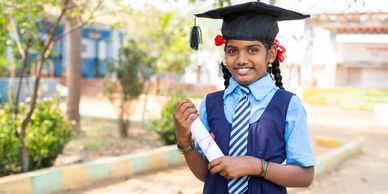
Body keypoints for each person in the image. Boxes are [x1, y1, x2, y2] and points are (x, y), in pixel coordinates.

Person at [173, 1, 315, 194]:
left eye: (253, 50)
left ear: (271, 54)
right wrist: (184, 140)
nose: (241, 59)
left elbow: (305, 176)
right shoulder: (211, 103)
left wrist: (256, 166)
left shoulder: (287, 105)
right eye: (232, 51)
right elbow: (206, 174)